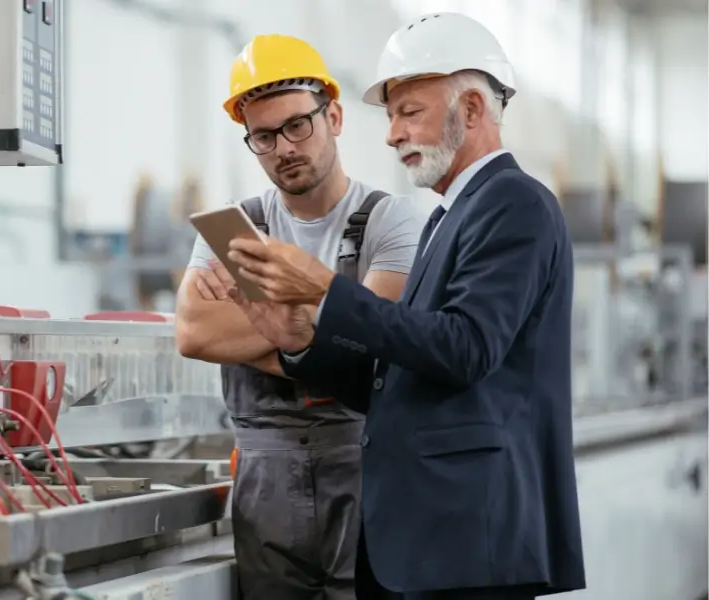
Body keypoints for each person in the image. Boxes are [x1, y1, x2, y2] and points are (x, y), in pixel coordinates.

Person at [219, 13, 587, 600]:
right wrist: (298, 344)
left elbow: (465, 349)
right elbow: (401, 378)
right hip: (434, 539)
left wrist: (324, 288)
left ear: (470, 110)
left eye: (408, 112)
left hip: (469, 540)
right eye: (391, 115)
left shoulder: (514, 203)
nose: (391, 134)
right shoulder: (452, 216)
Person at [174, 34, 426, 600]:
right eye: (263, 136)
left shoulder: (390, 221)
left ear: (333, 116)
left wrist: (275, 332)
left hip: (362, 469)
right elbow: (193, 331)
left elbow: (380, 344)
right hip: (264, 480)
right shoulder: (235, 225)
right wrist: (328, 326)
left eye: (296, 125)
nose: (283, 147)